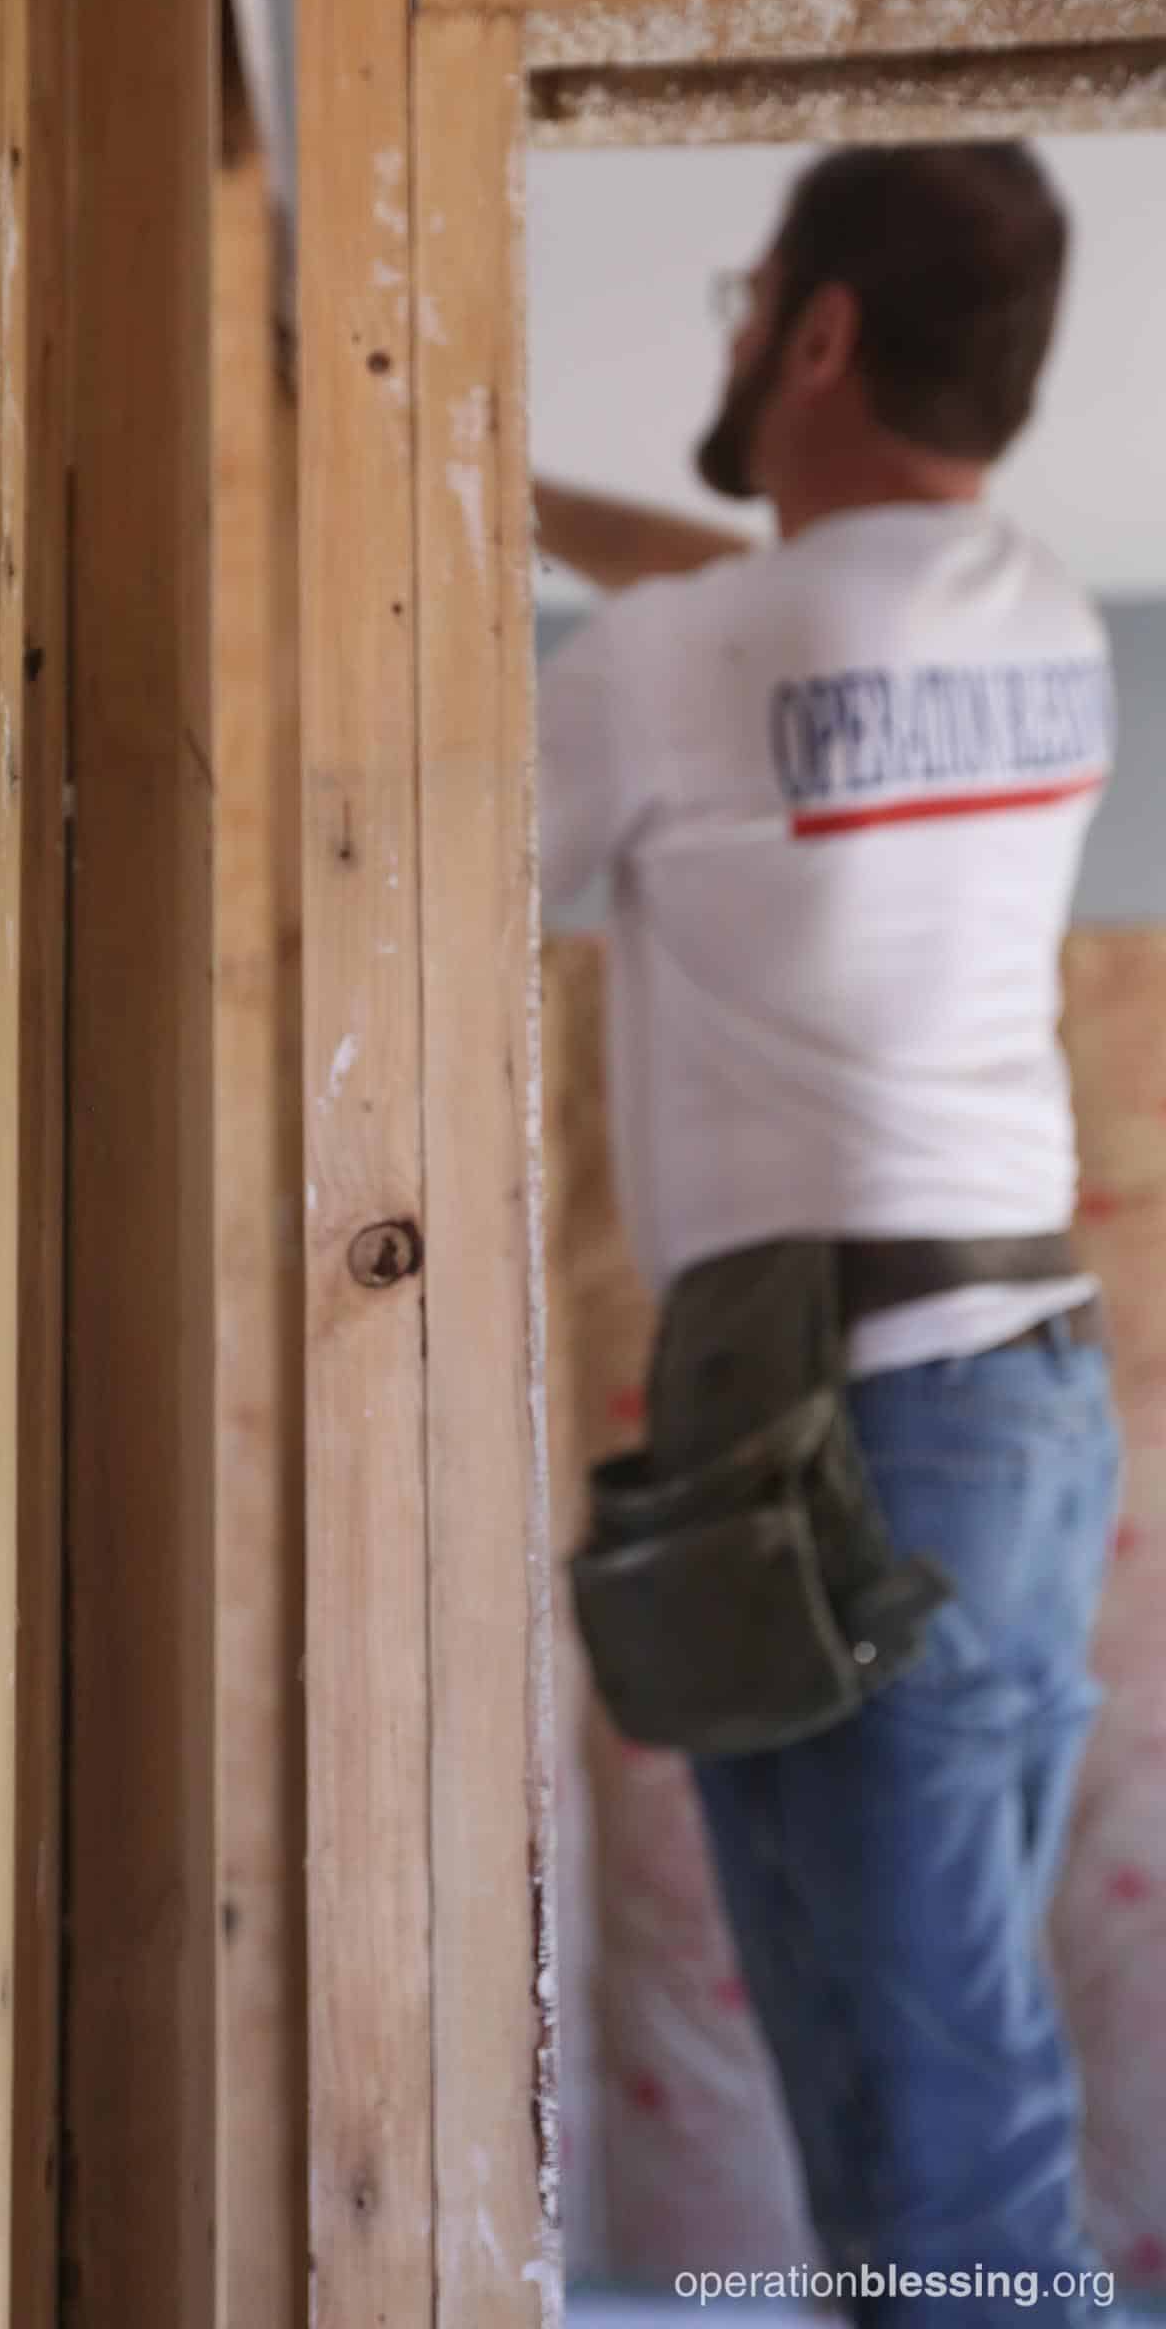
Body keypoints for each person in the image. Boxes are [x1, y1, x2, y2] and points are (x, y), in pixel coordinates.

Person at [536, 144, 1124, 2327]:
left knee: (932, 2160)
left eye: (738, 294)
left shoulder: (687, 651)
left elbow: (433, 832)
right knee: (920, 2122)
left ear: (813, 330)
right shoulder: (1028, 608)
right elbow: (768, 610)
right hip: (995, 1415)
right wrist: (533, 498)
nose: (719, 334)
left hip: (845, 1435)